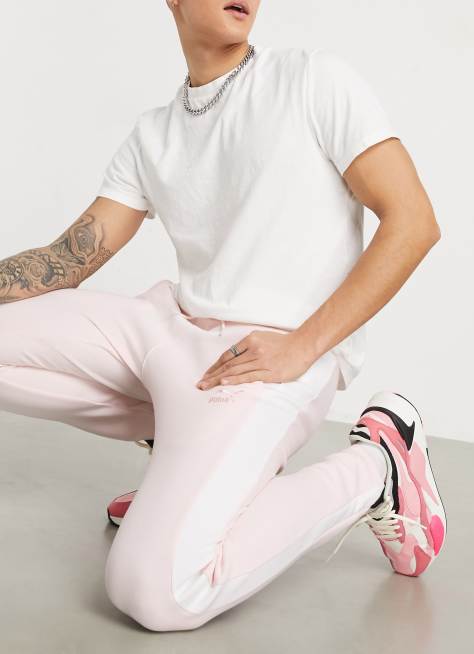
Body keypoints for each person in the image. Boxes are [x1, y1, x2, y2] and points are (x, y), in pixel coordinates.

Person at [0, 0, 446, 632]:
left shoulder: (311, 79)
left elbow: (414, 222)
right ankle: (184, 471)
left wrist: (304, 346)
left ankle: (377, 467)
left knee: (154, 591)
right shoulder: (153, 133)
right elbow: (63, 262)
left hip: (264, 360)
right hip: (168, 332)